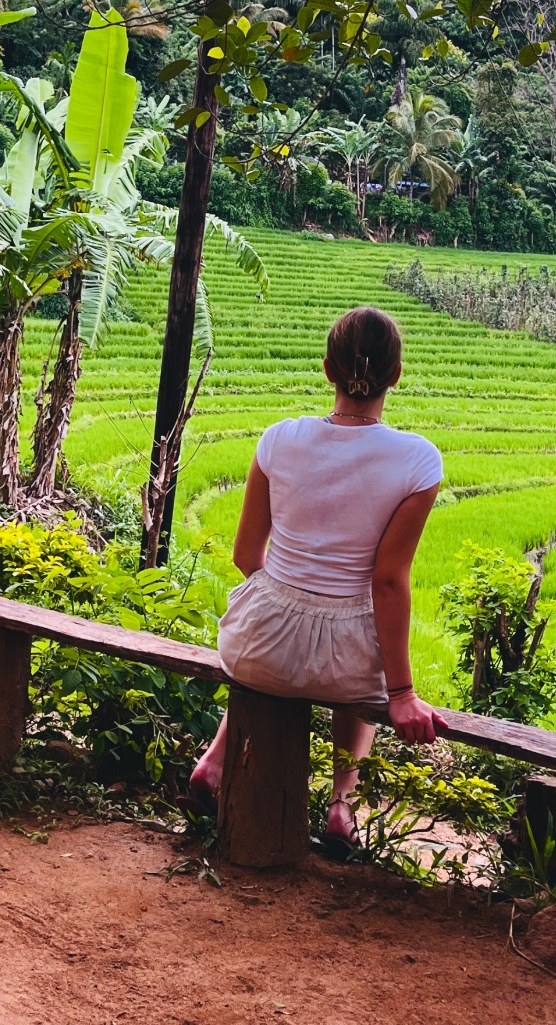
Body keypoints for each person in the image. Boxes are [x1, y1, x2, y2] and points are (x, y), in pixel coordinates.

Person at [182, 306, 447, 853]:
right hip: (346, 665)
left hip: (258, 645)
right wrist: (402, 695)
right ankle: (341, 807)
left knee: (280, 637)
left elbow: (244, 555)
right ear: (396, 376)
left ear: (327, 370)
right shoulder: (418, 462)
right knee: (355, 647)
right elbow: (389, 582)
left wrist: (289, 604)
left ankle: (212, 762)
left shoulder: (279, 439)